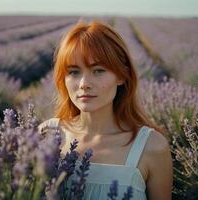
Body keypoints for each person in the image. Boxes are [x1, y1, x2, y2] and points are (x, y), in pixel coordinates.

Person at [39, 20, 173, 200]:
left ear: (121, 76)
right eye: (74, 72)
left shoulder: (152, 147)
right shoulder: (47, 136)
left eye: (98, 70)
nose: (84, 84)